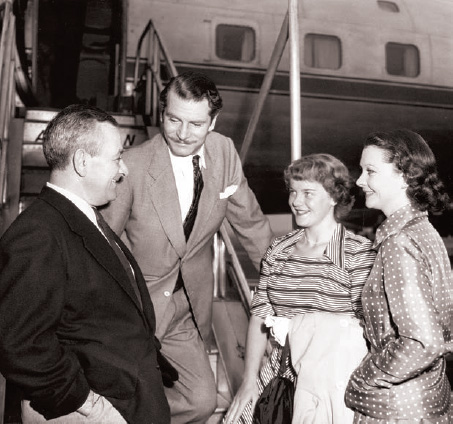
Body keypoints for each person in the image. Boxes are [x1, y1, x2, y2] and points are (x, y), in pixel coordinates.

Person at [101, 71, 274, 423]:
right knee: (124, 398)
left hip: (186, 309)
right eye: (173, 119)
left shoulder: (223, 151)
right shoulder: (132, 165)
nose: (182, 133)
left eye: (196, 124)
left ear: (213, 123)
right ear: (162, 113)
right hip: (134, 307)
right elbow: (105, 246)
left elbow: (250, 224)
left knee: (200, 402)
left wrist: (286, 281)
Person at [0, 104, 174, 423]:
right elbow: (21, 345)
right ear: (82, 161)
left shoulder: (85, 216)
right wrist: (89, 405)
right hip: (101, 408)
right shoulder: (38, 234)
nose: (123, 170)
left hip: (130, 395)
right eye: (116, 158)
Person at [224, 154, 376, 424]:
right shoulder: (278, 249)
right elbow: (260, 315)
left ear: (334, 197)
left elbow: (364, 330)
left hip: (333, 377)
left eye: (308, 193)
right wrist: (249, 382)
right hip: (280, 372)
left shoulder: (357, 253)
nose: (296, 201)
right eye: (293, 192)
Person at [345, 129, 453, 423]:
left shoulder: (399, 243)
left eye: (370, 171)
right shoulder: (425, 232)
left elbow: (423, 342)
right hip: (428, 399)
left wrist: (364, 378)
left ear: (405, 177)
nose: (359, 181)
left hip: (396, 408)